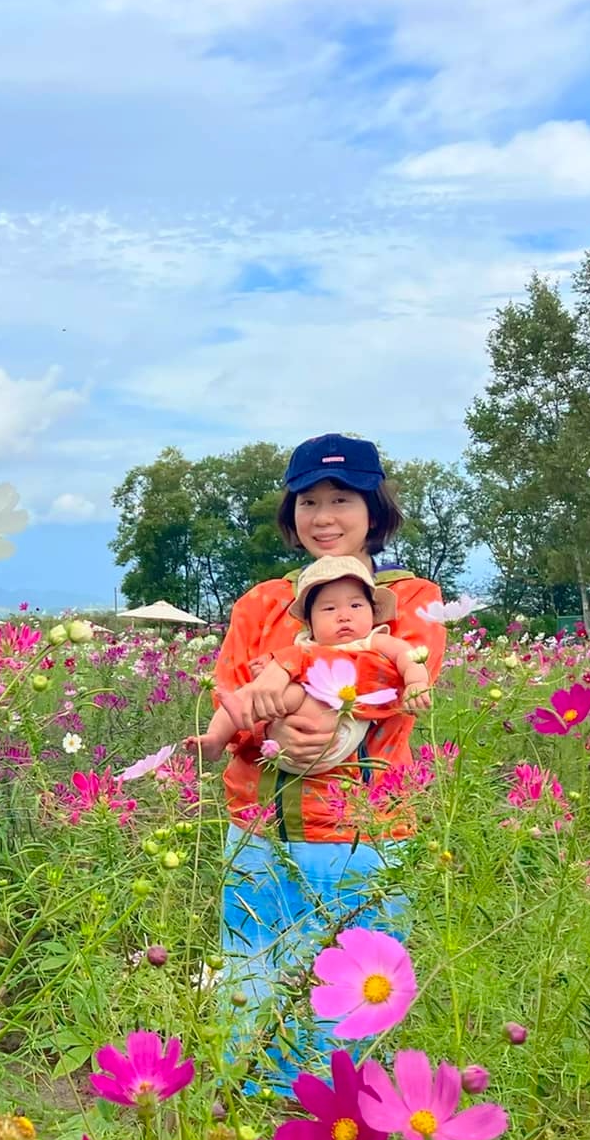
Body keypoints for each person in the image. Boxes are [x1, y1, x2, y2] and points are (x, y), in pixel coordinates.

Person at [208, 434, 447, 1090]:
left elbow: (398, 677)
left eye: (341, 498)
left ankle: (345, 1133)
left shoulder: (409, 596)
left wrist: (314, 707)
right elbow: (228, 692)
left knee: (356, 1005)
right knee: (254, 984)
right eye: (308, 500)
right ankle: (250, 1121)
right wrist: (269, 731)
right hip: (260, 834)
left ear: (375, 509)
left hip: (364, 838)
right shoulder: (260, 603)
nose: (324, 517)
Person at [189, 557, 430, 767]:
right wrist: (264, 670)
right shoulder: (303, 644)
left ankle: (242, 714)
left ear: (373, 612)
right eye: (329, 608)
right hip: (286, 745)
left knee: (287, 692)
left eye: (356, 605)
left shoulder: (372, 641)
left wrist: (416, 682)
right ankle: (216, 739)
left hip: (338, 731)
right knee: (248, 694)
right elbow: (282, 665)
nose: (344, 615)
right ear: (310, 622)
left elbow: (407, 655)